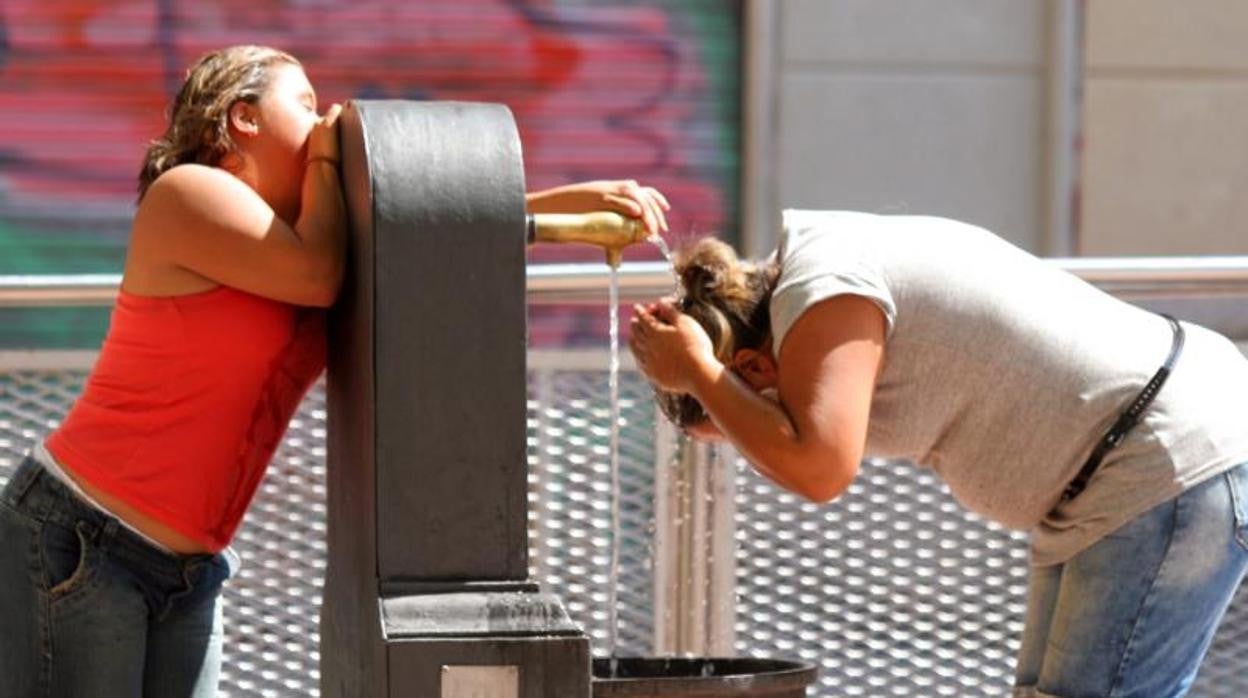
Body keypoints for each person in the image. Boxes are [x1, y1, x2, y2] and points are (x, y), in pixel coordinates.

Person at [0, 44, 669, 697]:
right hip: (84, 542)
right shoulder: (188, 194)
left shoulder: (307, 230)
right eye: (307, 102)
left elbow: (438, 220)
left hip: (188, 571)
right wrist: (327, 157)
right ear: (244, 118)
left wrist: (587, 205)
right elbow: (316, 276)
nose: (328, 119)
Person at [628, 209, 1248, 698]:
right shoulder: (818, 285)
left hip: (1162, 454)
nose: (756, 454)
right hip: (1113, 477)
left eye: (740, 428)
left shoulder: (824, 291)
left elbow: (819, 470)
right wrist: (710, 382)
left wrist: (698, 374)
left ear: (752, 367)